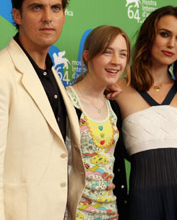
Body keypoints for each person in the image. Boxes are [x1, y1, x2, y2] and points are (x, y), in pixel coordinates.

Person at [0, 0, 85, 220]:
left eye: (55, 8)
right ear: (17, 15)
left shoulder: (53, 74)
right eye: (37, 8)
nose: (48, 17)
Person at [116, 6, 177, 219]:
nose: (171, 44)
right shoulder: (118, 89)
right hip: (144, 204)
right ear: (149, 36)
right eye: (165, 34)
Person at [66, 25, 130, 220]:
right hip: (74, 214)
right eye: (107, 52)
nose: (116, 61)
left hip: (112, 213)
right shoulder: (66, 101)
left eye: (122, 54)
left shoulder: (114, 106)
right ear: (87, 55)